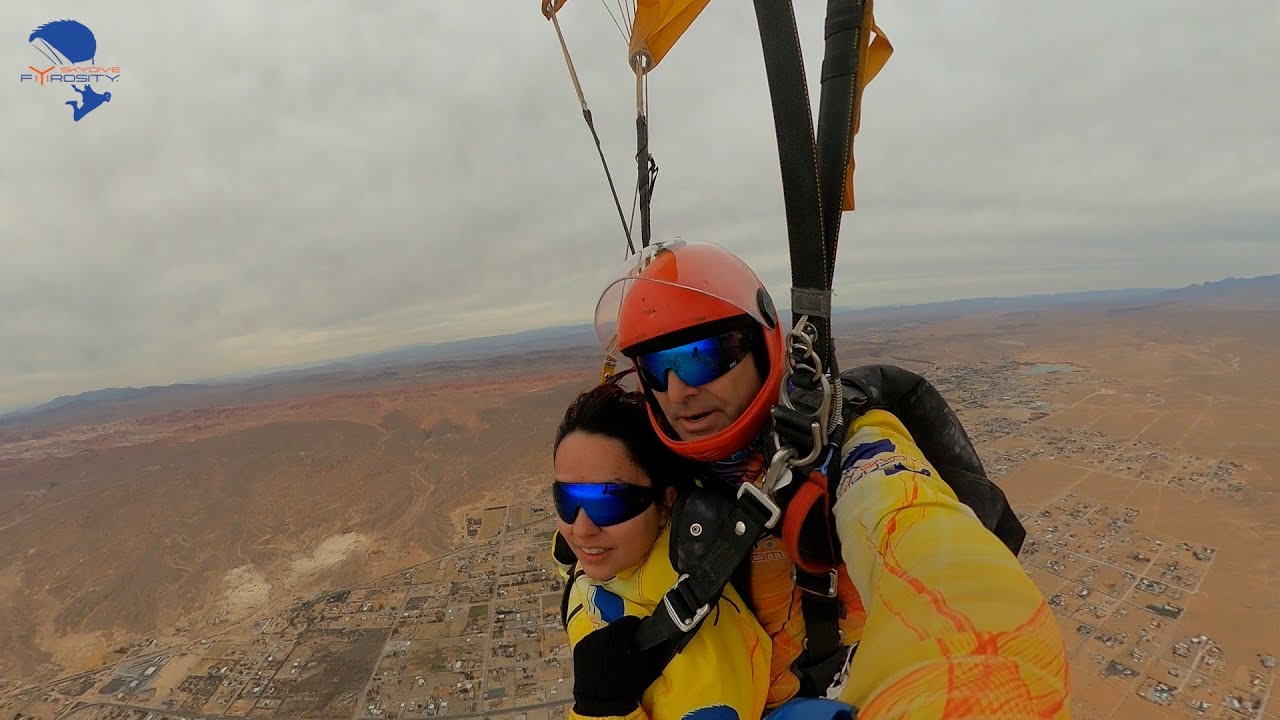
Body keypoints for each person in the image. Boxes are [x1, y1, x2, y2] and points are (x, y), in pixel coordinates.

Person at [593, 240, 1070, 718]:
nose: (678, 390)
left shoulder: (843, 446)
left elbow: (926, 540)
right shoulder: (648, 470)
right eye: (657, 367)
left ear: (761, 345)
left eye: (700, 356)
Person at [550, 381, 772, 720]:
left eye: (609, 501)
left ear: (666, 503)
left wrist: (603, 709)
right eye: (566, 499)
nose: (580, 529)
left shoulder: (702, 651)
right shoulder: (610, 549)